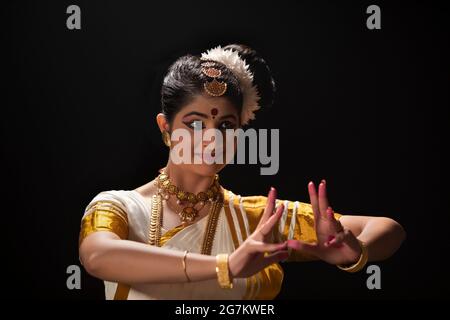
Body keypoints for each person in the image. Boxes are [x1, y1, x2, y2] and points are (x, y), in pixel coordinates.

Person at [78, 44, 406, 299]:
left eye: (226, 125)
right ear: (166, 128)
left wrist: (353, 254)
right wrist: (228, 265)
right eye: (194, 124)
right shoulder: (118, 206)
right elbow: (97, 255)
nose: (212, 138)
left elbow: (388, 229)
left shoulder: (255, 220)